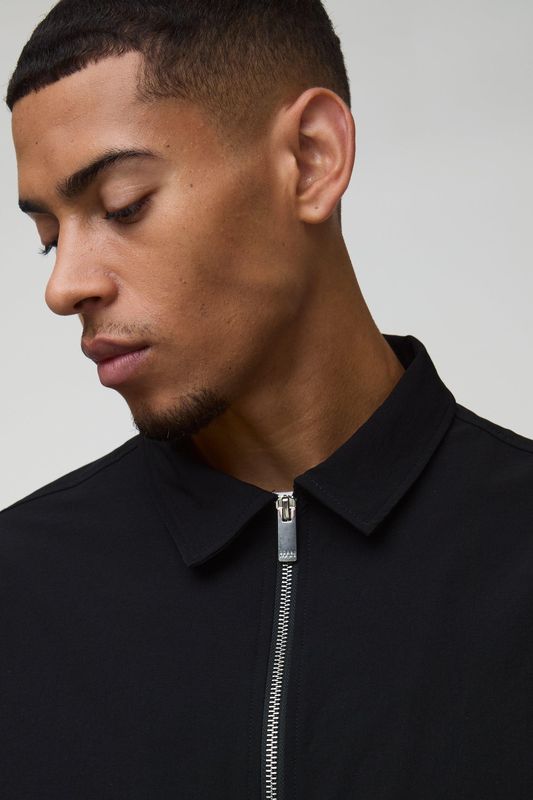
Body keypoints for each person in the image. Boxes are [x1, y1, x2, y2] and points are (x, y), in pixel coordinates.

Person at [1, 1, 532, 798]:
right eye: (49, 235)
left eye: (123, 205)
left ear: (311, 159)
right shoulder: (18, 594)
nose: (63, 286)